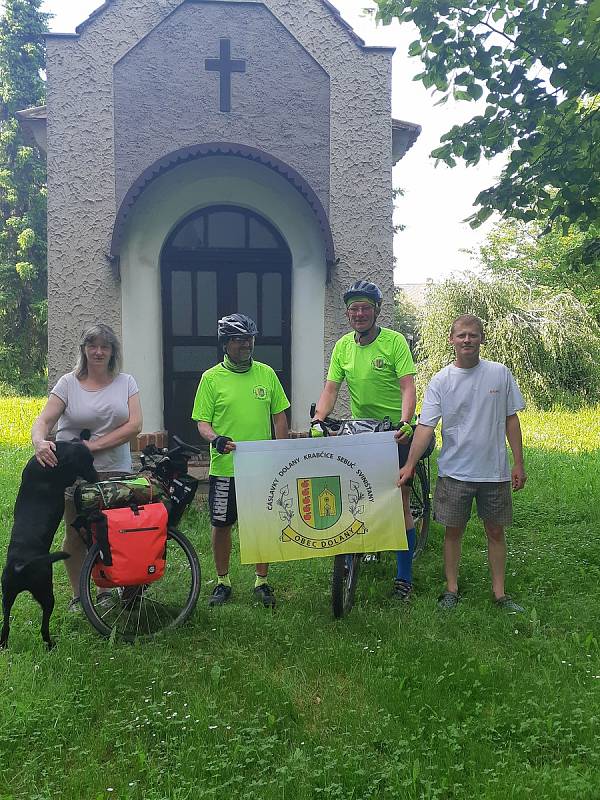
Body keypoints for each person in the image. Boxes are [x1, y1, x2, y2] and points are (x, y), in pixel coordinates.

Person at [398, 314, 527, 612]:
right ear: (451, 340)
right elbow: (426, 427)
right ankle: (451, 589)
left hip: (494, 472)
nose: (467, 340)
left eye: (473, 335)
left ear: (482, 339)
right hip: (455, 472)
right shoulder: (441, 380)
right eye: (461, 335)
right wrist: (410, 465)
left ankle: (500, 594)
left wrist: (518, 462)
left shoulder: (499, 374)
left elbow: (511, 419)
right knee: (453, 532)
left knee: (495, 532)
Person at [312, 280, 418, 601]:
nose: (359, 314)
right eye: (354, 309)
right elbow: (331, 390)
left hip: (394, 430)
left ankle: (404, 576)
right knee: (354, 494)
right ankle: (358, 550)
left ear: (376, 311)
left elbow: (407, 387)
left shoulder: (394, 342)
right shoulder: (343, 346)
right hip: (362, 430)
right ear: (348, 314)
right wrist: (318, 419)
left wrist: (406, 421)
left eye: (365, 308)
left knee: (399, 503)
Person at [31, 323, 143, 610]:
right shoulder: (68, 383)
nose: (98, 351)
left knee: (119, 532)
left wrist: (91, 447)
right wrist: (39, 442)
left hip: (116, 469)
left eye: (105, 346)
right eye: (92, 345)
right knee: (77, 533)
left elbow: (135, 425)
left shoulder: (126, 382)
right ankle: (79, 595)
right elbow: (43, 421)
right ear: (84, 349)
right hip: (73, 474)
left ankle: (113, 588)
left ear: (113, 351)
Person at [192, 313, 289, 608]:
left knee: (261, 524)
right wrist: (215, 439)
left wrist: (280, 453)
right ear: (225, 343)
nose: (246, 344)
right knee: (221, 524)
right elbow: (202, 423)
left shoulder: (266, 374)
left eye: (249, 339)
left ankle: (262, 580)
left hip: (260, 467)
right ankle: (223, 581)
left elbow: (279, 417)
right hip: (225, 467)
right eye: (238, 339)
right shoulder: (211, 379)